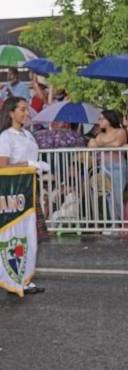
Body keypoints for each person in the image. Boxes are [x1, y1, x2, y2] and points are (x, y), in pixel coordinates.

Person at [0, 97, 49, 294]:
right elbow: (2, 166)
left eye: (27, 110)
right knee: (13, 234)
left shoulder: (28, 135)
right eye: (22, 109)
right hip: (13, 193)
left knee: (29, 235)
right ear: (11, 112)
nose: (26, 113)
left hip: (29, 189)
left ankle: (24, 277)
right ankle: (12, 276)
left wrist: (36, 168)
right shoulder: (6, 137)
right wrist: (28, 165)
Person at [88, 110, 128, 223]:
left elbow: (117, 144)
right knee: (109, 196)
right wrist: (102, 144)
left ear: (109, 119)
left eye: (102, 118)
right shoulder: (100, 135)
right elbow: (92, 145)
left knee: (118, 196)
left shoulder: (120, 131)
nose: (99, 121)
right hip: (104, 167)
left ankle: (123, 223)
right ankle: (115, 224)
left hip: (117, 166)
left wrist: (100, 145)